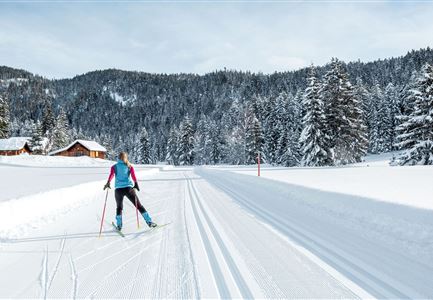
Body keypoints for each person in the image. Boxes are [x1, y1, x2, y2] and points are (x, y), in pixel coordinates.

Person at [104, 152, 157, 230]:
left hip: (118, 190)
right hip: (128, 189)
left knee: (119, 207)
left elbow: (111, 175)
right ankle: (149, 222)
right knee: (139, 206)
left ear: (118, 158)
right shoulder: (129, 166)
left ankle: (119, 225)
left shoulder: (114, 167)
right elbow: (133, 176)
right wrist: (136, 183)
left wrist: (108, 182)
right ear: (126, 158)